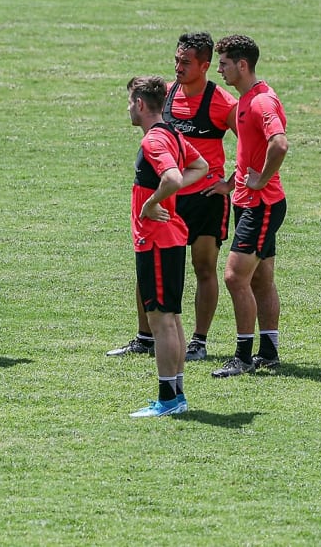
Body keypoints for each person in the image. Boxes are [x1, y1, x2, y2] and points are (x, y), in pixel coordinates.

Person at [107, 33, 238, 361]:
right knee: (150, 265)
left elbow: (251, 139)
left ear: (205, 65)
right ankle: (145, 337)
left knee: (203, 267)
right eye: (176, 60)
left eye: (186, 62)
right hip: (170, 198)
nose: (178, 67)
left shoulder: (221, 101)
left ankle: (199, 341)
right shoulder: (165, 94)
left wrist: (232, 182)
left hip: (207, 197)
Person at [125, 75, 208, 417]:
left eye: (131, 102)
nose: (129, 108)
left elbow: (174, 176)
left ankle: (168, 400)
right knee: (170, 318)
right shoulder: (172, 132)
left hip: (157, 240)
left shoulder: (153, 142)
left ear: (141, 105)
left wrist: (151, 203)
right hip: (170, 235)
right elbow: (200, 167)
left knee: (160, 321)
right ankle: (177, 395)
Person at [209, 35, 288, 378]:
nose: (220, 69)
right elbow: (249, 153)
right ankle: (268, 352)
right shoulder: (245, 100)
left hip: (262, 204)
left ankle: (242, 357)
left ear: (242, 65)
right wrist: (232, 182)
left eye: (224, 63)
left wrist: (259, 180)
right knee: (260, 279)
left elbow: (279, 145)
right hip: (250, 200)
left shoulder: (262, 103)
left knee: (233, 277)